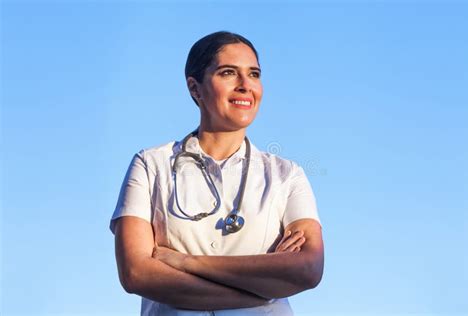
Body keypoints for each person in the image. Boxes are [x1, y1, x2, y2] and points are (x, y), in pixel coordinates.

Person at [110, 31, 324, 315]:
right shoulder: (151, 165)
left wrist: (186, 262)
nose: (246, 85)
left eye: (254, 74)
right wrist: (264, 292)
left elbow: (308, 269)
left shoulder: (287, 175)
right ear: (195, 88)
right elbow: (137, 273)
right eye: (228, 73)